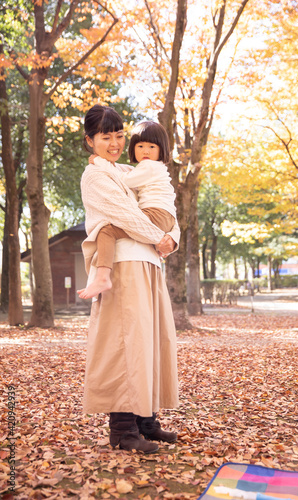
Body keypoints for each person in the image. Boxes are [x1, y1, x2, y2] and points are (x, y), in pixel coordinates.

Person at [79, 104, 179, 454]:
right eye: (106, 137)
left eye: (120, 136)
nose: (115, 143)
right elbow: (123, 214)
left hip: (150, 262)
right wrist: (157, 236)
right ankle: (122, 430)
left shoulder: (128, 169)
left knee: (150, 343)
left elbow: (166, 204)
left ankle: (145, 421)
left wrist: (171, 238)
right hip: (121, 266)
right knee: (125, 344)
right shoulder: (96, 176)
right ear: (90, 140)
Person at [77, 121, 177, 300]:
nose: (145, 151)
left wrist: (100, 162)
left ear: (162, 149)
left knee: (106, 230)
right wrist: (167, 236)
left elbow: (125, 180)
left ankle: (102, 277)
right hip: (164, 218)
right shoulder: (150, 169)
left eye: (151, 146)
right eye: (140, 146)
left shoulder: (147, 167)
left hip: (155, 217)